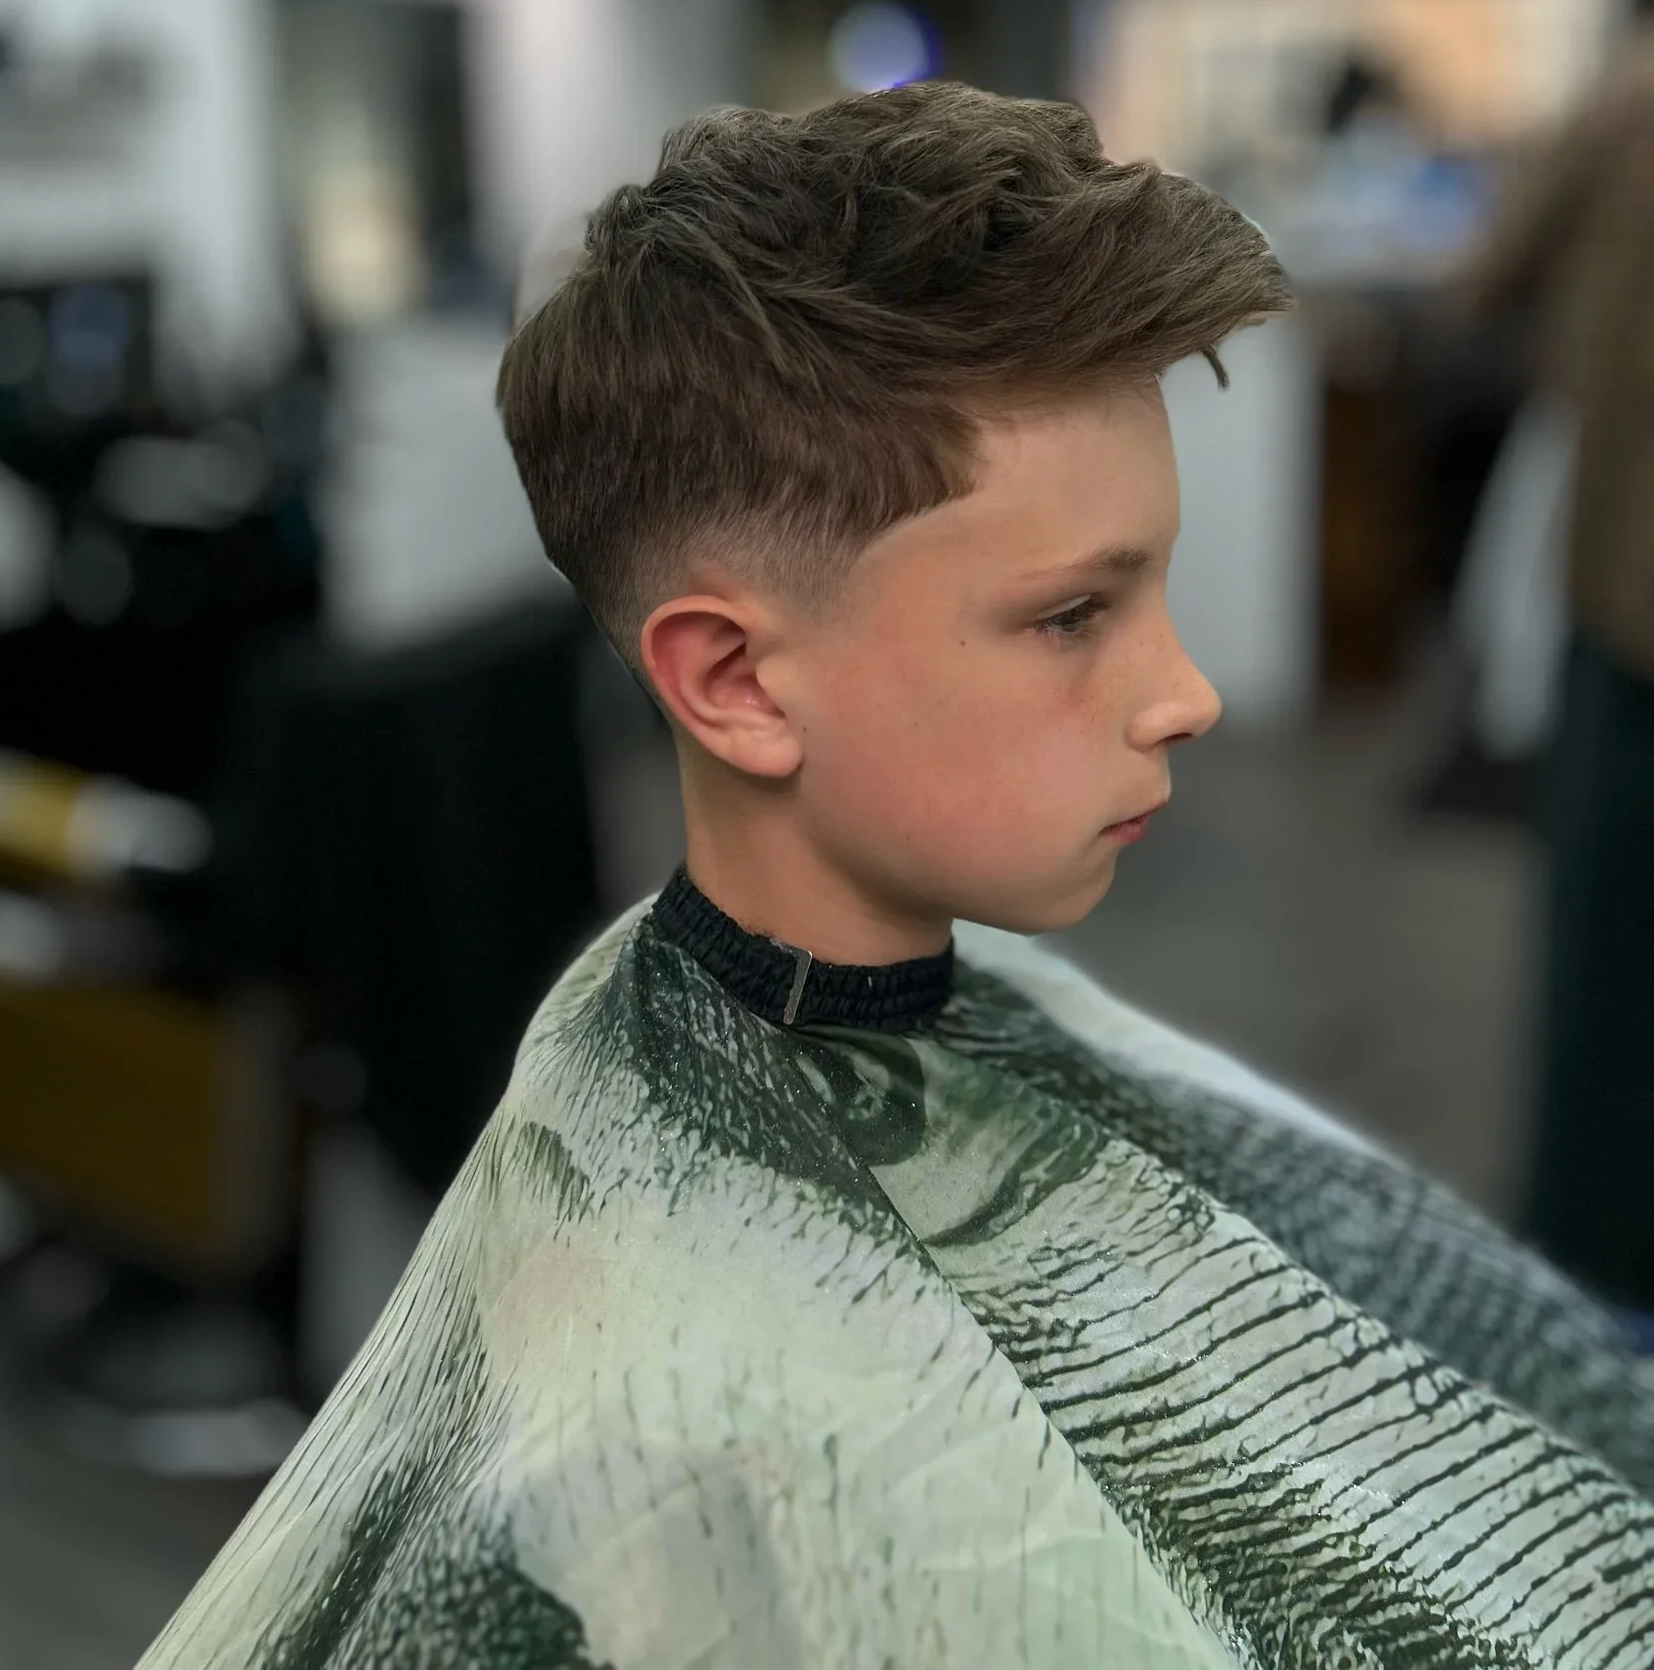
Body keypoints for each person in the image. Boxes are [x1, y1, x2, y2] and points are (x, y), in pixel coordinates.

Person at [140, 85, 1654, 1670]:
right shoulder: (670, 1394)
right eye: (1069, 616)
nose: (1184, 695)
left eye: (1151, 593)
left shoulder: (991, 1032)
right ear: (734, 682)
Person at [1457, 26, 1654, 1313]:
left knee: (1607, 972)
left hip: (1633, 593)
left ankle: (1591, 1290)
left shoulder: (1631, 94)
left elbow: (1487, 279)